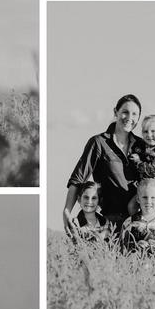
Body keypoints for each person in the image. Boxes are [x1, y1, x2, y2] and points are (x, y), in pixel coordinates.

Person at [63, 95, 142, 232]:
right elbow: (78, 179)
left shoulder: (142, 145)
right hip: (106, 221)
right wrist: (67, 211)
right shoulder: (98, 142)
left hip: (136, 221)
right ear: (115, 112)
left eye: (134, 114)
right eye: (125, 112)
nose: (129, 117)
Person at [120, 178, 155, 258]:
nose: (148, 201)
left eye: (153, 197)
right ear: (138, 199)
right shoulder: (129, 223)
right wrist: (136, 247)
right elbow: (121, 249)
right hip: (133, 267)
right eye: (144, 197)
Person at [129, 114, 155, 182]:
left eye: (153, 131)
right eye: (145, 131)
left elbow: (152, 171)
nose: (149, 135)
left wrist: (137, 161)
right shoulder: (144, 147)